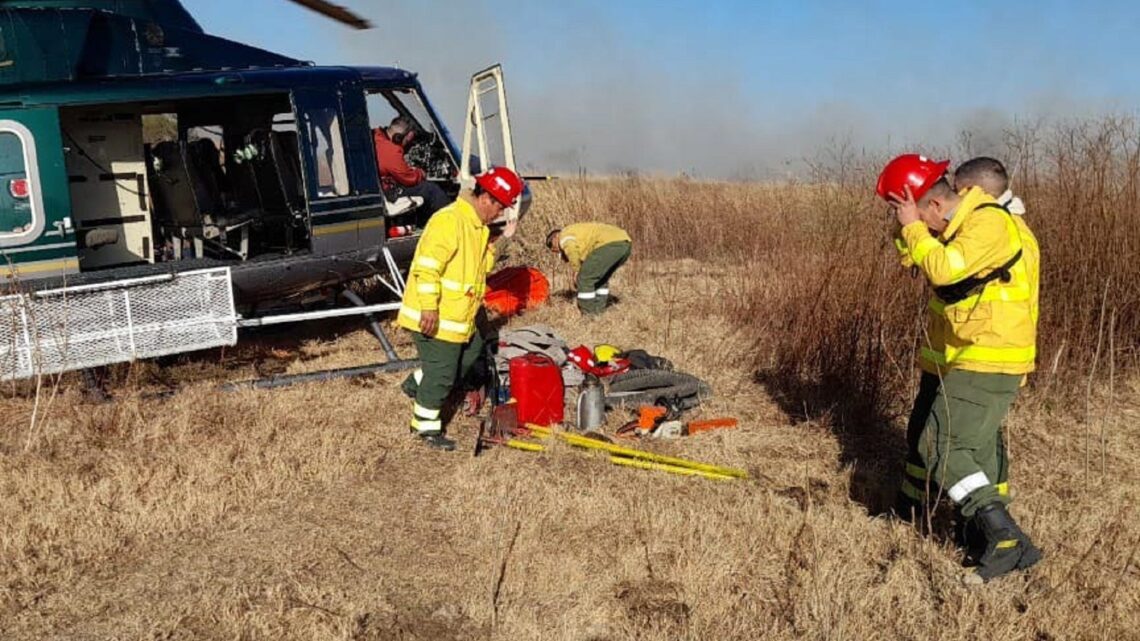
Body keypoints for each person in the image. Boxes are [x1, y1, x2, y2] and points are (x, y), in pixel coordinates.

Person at [877, 153, 1042, 583]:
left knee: (941, 444)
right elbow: (921, 258)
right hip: (966, 353)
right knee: (971, 446)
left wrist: (914, 228)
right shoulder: (963, 225)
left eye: (917, 214)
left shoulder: (988, 223)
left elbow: (945, 270)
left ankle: (1004, 536)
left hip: (990, 355)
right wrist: (909, 230)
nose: (916, 225)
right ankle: (978, 533)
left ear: (934, 205)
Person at [397, 167, 524, 451]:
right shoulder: (450, 221)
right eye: (500, 207)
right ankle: (424, 426)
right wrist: (429, 308)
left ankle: (417, 384)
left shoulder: (477, 227)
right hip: (436, 315)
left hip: (460, 316)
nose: (501, 213)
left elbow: (482, 267)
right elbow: (427, 267)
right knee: (443, 375)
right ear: (486, 198)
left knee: (469, 355)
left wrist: (501, 241)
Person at [544, 223, 632, 315]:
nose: (555, 250)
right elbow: (585, 256)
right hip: (625, 244)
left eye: (553, 247)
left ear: (555, 237)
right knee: (600, 278)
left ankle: (588, 314)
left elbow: (571, 249)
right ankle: (598, 310)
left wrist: (577, 270)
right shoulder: (577, 233)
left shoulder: (564, 235)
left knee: (584, 278)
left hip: (610, 245)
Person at [373, 115, 450, 216]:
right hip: (387, 192)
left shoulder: (375, 135)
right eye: (406, 141)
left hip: (377, 187)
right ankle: (449, 220)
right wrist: (421, 173)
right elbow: (409, 179)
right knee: (431, 189)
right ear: (398, 138)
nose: (405, 146)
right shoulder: (390, 150)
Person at [953, 156, 1026, 215]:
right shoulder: (1014, 219)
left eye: (956, 190)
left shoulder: (982, 224)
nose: (954, 195)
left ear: (973, 192)